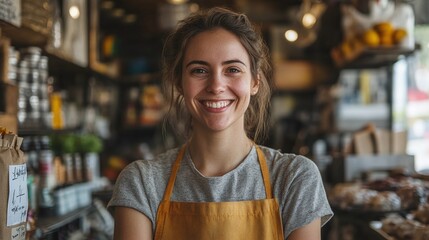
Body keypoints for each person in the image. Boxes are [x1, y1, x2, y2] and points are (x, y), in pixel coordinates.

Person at [108, 7, 333, 240]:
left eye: (233, 69)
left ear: (255, 81)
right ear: (179, 82)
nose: (216, 86)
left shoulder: (294, 178)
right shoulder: (142, 183)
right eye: (199, 70)